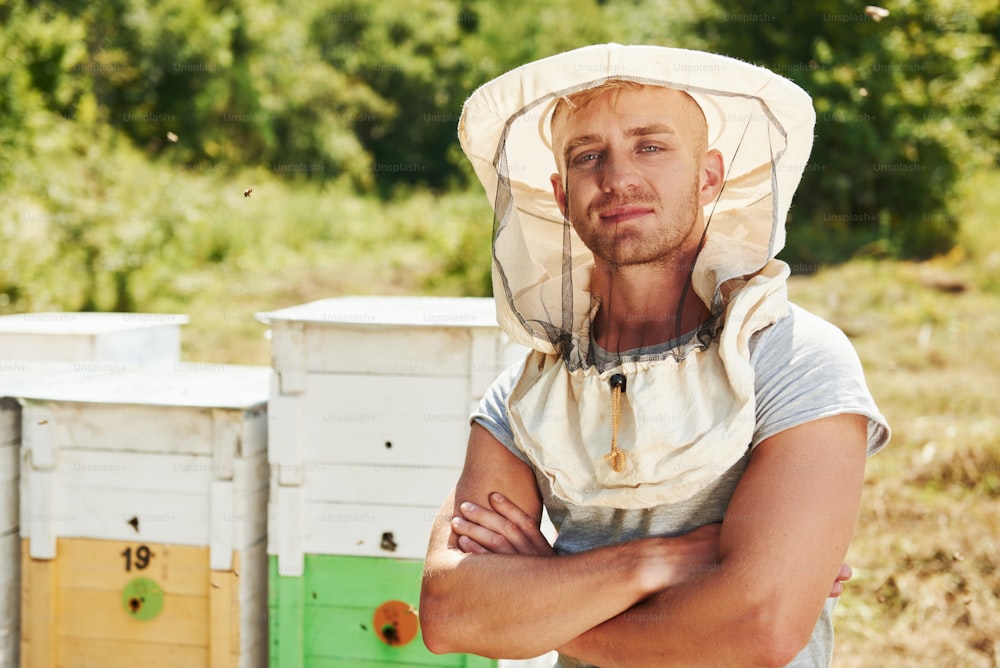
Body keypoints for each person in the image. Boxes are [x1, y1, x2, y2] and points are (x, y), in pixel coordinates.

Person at [420, 44, 890, 667]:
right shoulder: (524, 395)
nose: (617, 179)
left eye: (650, 146)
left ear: (709, 175)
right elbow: (451, 613)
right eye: (589, 156)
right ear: (560, 195)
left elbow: (759, 627)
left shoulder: (797, 360)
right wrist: (666, 559)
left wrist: (543, 604)